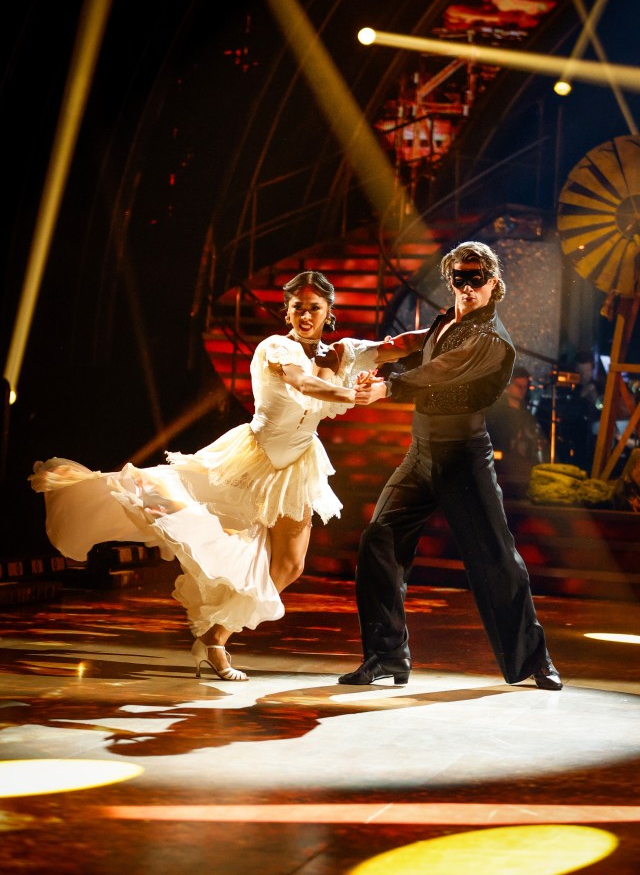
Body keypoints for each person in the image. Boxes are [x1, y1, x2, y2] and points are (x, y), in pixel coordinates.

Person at [30, 271, 399, 682]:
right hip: (253, 460)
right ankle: (114, 497)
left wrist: (447, 323)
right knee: (203, 525)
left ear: (329, 311)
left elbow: (398, 346)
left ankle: (213, 640)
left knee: (291, 565)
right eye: (298, 307)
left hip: (296, 469)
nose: (306, 315)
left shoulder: (343, 352)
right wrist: (353, 393)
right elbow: (303, 383)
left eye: (314, 308)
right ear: (287, 311)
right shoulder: (276, 347)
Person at [338, 241, 563, 691]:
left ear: (493, 283)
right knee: (379, 539)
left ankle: (534, 659)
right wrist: (365, 357)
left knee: (496, 559)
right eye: (459, 278)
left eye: (476, 279)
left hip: (463, 459)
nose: (466, 287)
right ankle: (387, 656)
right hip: (421, 454)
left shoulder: (491, 339)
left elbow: (440, 371)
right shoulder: (446, 321)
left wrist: (387, 388)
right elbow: (415, 346)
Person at [485, 364, 549, 495]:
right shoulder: (496, 411)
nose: (522, 390)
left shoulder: (526, 412)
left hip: (521, 464)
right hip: (501, 464)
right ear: (508, 385)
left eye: (525, 387)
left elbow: (532, 437)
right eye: (519, 386)